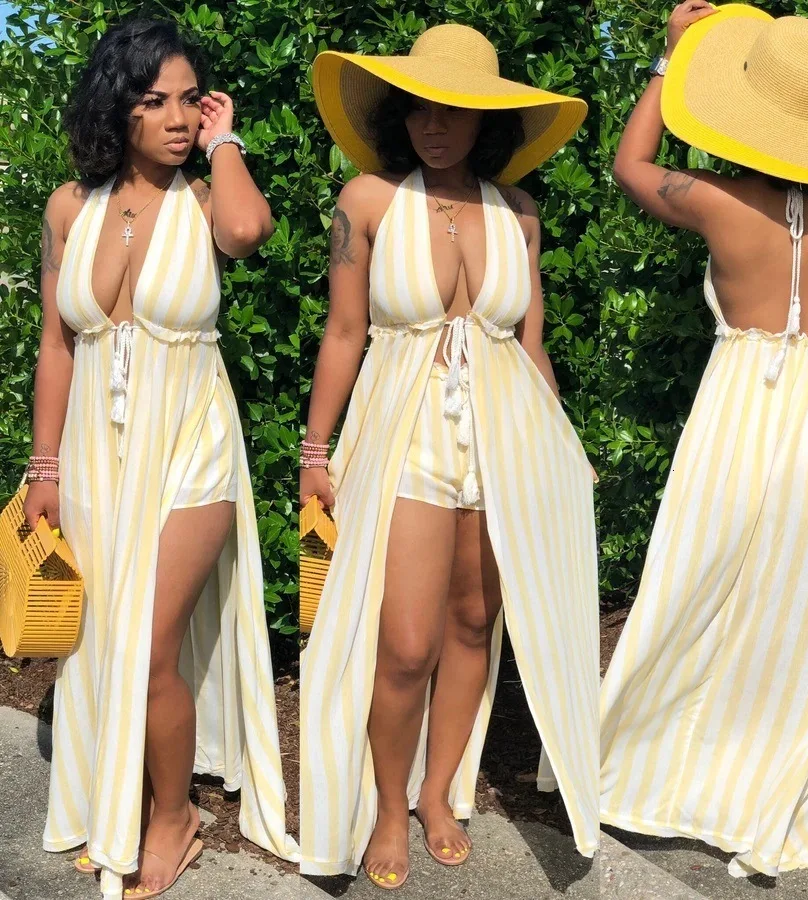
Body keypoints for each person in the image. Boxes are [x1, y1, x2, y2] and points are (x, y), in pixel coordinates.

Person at [600, 0, 808, 878]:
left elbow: (629, 165)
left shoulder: (716, 199)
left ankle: (650, 765)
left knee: (694, 583)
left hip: (736, 405)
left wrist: (670, 59)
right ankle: (783, 790)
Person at [298, 22, 599, 889]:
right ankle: (387, 804)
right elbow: (344, 330)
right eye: (420, 108)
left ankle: (437, 792)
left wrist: (563, 444)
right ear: (399, 114)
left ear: (485, 121)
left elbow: (530, 346)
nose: (435, 125)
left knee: (474, 621)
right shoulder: (366, 201)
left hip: (509, 438)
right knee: (404, 643)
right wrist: (315, 448)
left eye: (455, 111)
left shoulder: (520, 212)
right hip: (405, 431)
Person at [25, 18, 300, 898]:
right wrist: (42, 469)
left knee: (146, 646)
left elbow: (250, 230)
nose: (177, 118)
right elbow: (57, 347)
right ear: (119, 107)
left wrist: (227, 142)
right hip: (96, 454)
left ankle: (173, 814)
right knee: (102, 637)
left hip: (193, 444)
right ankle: (115, 794)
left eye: (189, 99)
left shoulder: (208, 199)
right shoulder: (70, 207)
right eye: (155, 101)